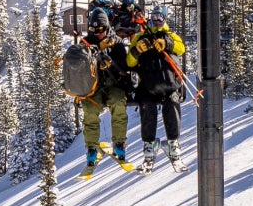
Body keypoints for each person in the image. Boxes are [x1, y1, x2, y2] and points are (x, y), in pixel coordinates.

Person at [76, 26, 138, 173]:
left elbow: (125, 64)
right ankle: (91, 147)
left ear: (107, 28)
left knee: (118, 104)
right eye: (94, 30)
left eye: (101, 30)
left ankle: (119, 143)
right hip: (94, 87)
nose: (98, 33)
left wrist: (112, 63)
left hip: (114, 84)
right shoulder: (87, 43)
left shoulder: (116, 42)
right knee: (90, 109)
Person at [132, 15, 187, 170]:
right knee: (147, 107)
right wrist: (137, 50)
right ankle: (149, 144)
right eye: (153, 19)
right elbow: (130, 61)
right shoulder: (140, 37)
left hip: (168, 84)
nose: (156, 22)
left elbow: (181, 48)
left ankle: (173, 142)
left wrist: (167, 43)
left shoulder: (170, 35)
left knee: (172, 103)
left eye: (160, 19)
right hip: (148, 85)